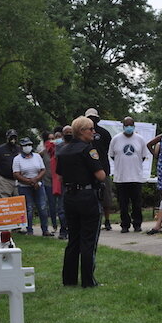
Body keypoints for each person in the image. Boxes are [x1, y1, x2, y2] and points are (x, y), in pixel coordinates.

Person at [56, 116, 106, 288]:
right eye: (91, 129)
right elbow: (100, 175)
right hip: (87, 197)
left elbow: (60, 175)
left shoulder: (63, 150)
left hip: (70, 197)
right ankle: (88, 280)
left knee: (73, 240)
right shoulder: (88, 150)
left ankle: (69, 280)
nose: (94, 132)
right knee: (88, 240)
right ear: (82, 131)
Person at [109, 116, 148, 233]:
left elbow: (143, 156)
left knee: (137, 204)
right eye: (127, 125)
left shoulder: (140, 139)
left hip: (136, 177)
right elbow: (112, 155)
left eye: (131, 125)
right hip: (121, 178)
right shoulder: (116, 139)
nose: (129, 127)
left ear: (134, 126)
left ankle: (137, 224)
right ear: (123, 126)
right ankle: (125, 225)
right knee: (123, 204)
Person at [13, 137, 52, 236]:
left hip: (38, 185)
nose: (27, 147)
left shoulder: (37, 156)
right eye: (25, 145)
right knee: (28, 208)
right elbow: (16, 174)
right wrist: (29, 181)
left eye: (29, 145)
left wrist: (36, 180)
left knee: (42, 207)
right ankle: (29, 230)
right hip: (24, 186)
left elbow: (43, 170)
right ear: (21, 147)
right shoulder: (17, 159)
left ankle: (45, 229)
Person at [85, 108, 114, 231]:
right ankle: (92, 221)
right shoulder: (83, 134)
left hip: (103, 168)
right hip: (88, 170)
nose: (92, 120)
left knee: (106, 196)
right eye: (89, 118)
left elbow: (109, 148)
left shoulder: (104, 133)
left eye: (93, 118)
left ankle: (107, 220)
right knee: (89, 196)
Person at [52, 126, 73, 240]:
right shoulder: (59, 147)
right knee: (61, 208)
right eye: (67, 132)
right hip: (62, 181)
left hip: (75, 181)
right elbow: (58, 162)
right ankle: (63, 230)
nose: (69, 134)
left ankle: (71, 229)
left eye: (71, 132)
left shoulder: (77, 145)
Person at [38, 131, 59, 233]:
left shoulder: (59, 151)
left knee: (61, 204)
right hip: (47, 181)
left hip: (58, 180)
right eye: (49, 139)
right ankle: (54, 224)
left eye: (53, 138)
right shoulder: (42, 153)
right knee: (51, 204)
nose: (51, 141)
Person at [0, 129, 20, 198]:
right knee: (4, 202)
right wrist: (0, 173)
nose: (13, 139)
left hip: (18, 180)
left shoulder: (20, 149)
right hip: (4, 180)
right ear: (7, 138)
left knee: (18, 202)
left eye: (14, 137)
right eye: (11, 137)